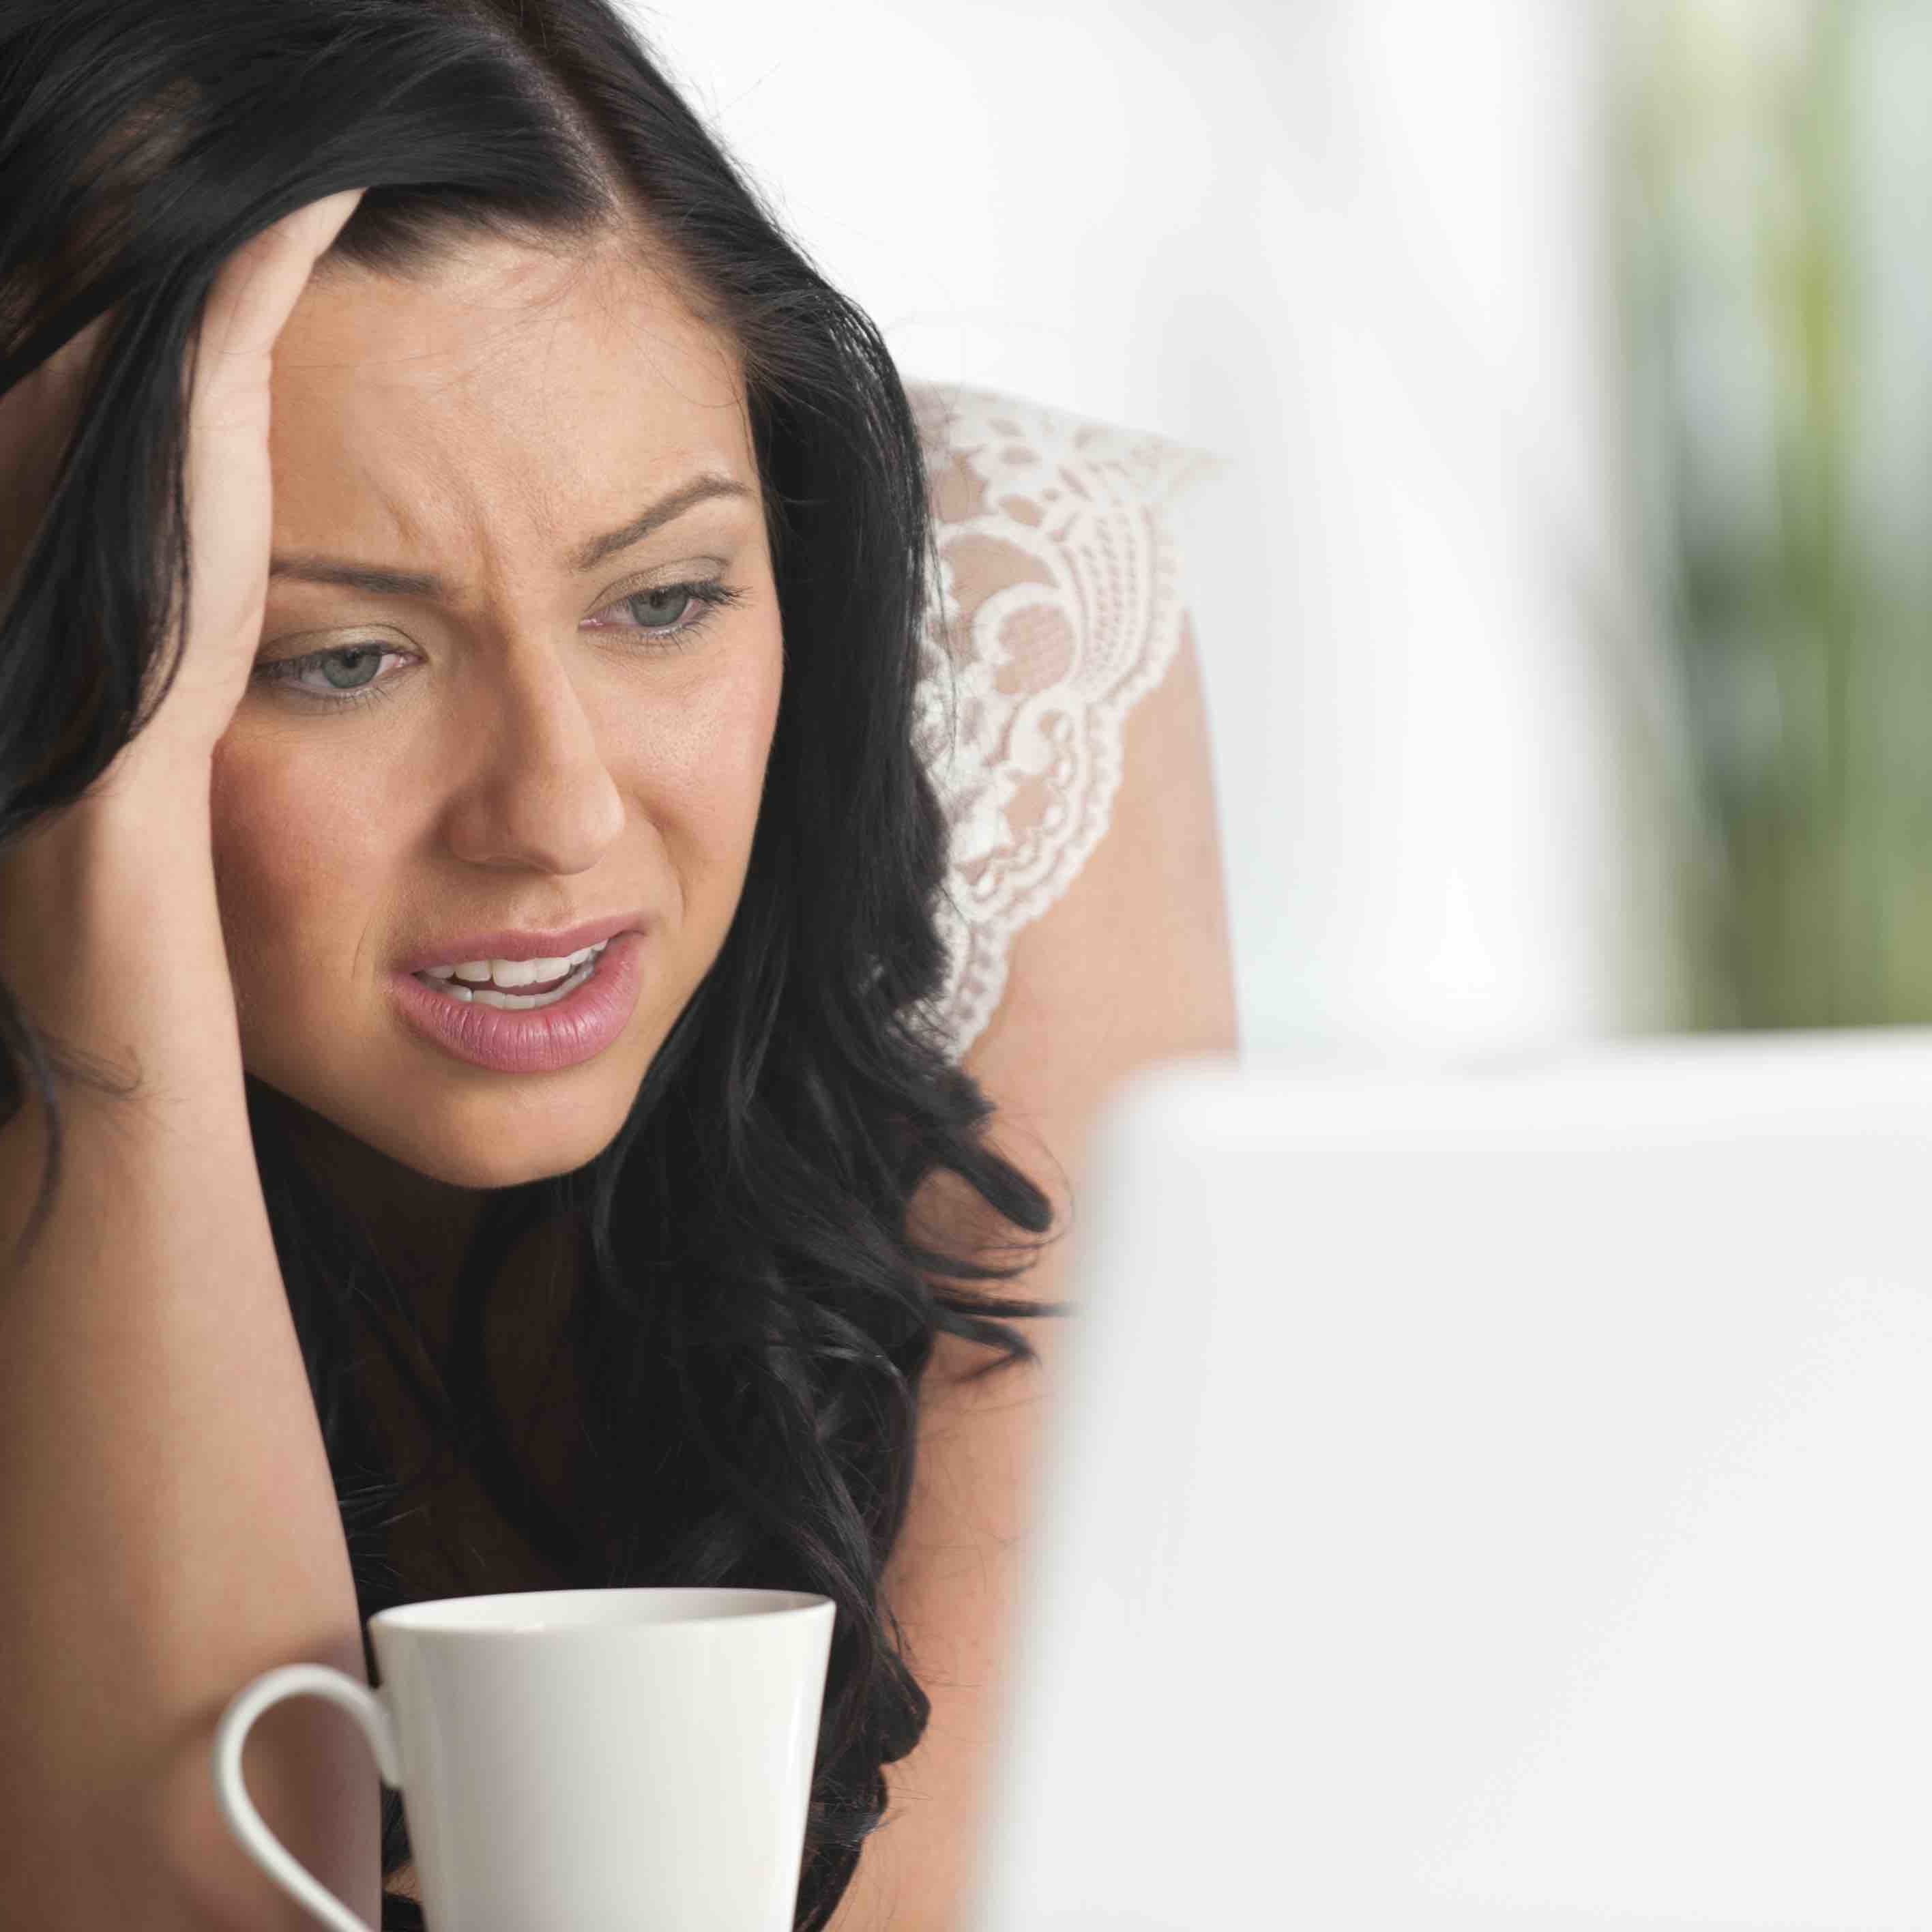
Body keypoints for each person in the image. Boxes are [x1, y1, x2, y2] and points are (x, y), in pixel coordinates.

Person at [0, 0, 1238, 1925]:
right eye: (340, 657)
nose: (558, 814)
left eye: (661, 600)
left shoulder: (994, 650)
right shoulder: (77, 775)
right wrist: (96, 829)